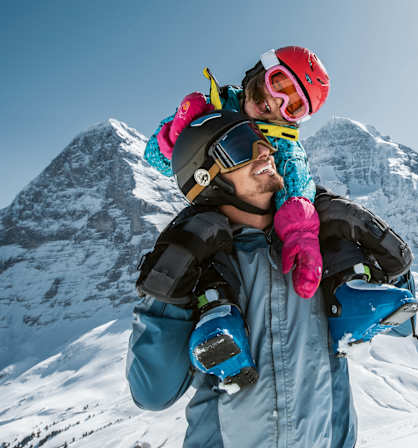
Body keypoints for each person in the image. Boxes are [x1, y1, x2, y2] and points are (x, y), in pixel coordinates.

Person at [127, 110, 359, 447]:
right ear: (206, 177)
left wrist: (376, 245)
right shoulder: (199, 266)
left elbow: (399, 324)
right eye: (240, 146)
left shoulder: (316, 246)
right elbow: (152, 392)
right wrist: (170, 279)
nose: (264, 150)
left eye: (262, 140)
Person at [145, 46, 330, 299]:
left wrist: (300, 229)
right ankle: (210, 306)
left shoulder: (282, 141)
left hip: (261, 222)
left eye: (293, 106)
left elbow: (295, 177)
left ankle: (348, 282)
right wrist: (174, 138)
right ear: (260, 71)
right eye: (280, 84)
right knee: (198, 233)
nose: (278, 102)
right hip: (214, 207)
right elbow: (153, 156)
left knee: (329, 206)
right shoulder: (212, 109)